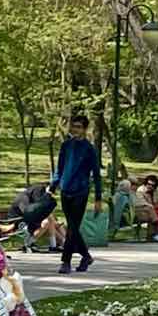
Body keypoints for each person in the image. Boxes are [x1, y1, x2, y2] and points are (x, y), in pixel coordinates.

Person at [47, 113, 102, 274]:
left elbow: (96, 174)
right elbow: (60, 168)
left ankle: (66, 261)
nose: (75, 130)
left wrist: (98, 198)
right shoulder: (66, 145)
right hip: (66, 190)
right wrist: (53, 186)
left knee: (72, 227)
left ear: (85, 129)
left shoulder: (89, 149)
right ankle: (86, 256)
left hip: (81, 191)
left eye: (78, 127)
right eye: (73, 126)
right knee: (73, 227)